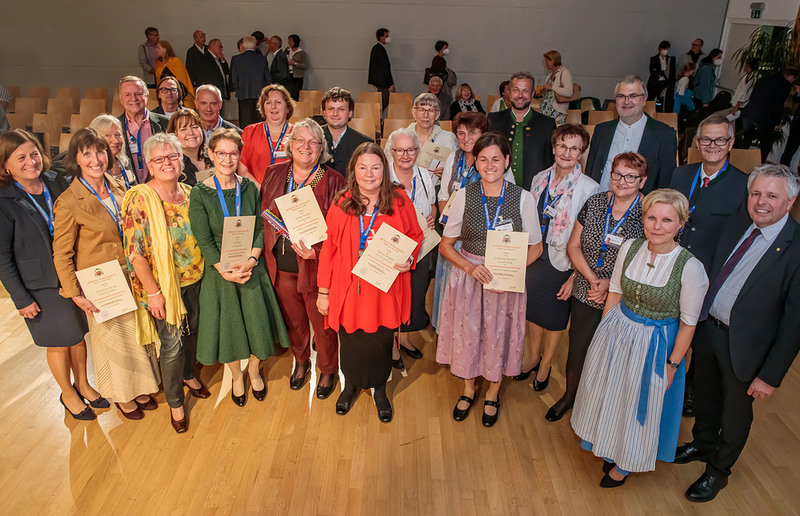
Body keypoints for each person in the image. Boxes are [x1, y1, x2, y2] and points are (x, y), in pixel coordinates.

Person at [675, 165, 800, 502]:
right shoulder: (738, 222)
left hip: (747, 349)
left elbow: (794, 324)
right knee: (705, 396)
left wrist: (770, 376)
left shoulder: (796, 248)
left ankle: (718, 471)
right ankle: (702, 444)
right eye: (755, 193)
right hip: (709, 330)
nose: (761, 202)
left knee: (734, 414)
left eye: (771, 195)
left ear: (790, 201)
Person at [571, 189, 709, 488]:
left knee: (637, 404)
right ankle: (610, 444)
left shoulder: (690, 267)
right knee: (613, 394)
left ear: (681, 223)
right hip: (618, 330)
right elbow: (615, 291)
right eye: (651, 218)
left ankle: (626, 462)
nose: (657, 226)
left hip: (656, 344)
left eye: (667, 220)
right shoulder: (630, 247)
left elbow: (688, 325)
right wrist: (603, 335)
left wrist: (672, 365)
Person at [53, 128, 161, 421]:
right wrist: (74, 293)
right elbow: (61, 254)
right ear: (76, 159)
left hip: (131, 274)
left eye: (100, 151)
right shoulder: (68, 201)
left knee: (136, 337)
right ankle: (123, 396)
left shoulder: (119, 186)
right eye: (86, 154)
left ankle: (141, 388)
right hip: (99, 281)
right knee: (114, 342)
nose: (95, 159)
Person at [436, 132, 543, 427]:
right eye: (483, 159)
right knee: (468, 334)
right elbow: (446, 245)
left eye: (496, 159)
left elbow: (536, 248)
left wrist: (509, 271)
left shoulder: (523, 198)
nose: (490, 165)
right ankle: (469, 389)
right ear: (476, 162)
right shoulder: (463, 196)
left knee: (499, 335)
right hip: (470, 277)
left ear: (507, 161)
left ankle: (493, 393)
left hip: (504, 282)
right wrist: (469, 268)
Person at [316, 143, 423, 423]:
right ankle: (350, 386)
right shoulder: (341, 203)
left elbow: (415, 235)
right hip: (348, 290)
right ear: (353, 170)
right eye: (363, 167)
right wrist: (323, 291)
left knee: (380, 342)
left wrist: (409, 258)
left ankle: (380, 390)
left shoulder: (399, 200)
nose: (369, 174)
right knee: (351, 341)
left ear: (384, 170)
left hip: (384, 289)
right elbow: (329, 249)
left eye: (375, 167)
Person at [0, 130, 99, 421]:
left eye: (34, 154)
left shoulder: (57, 181)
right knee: (59, 341)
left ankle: (83, 384)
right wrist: (21, 299)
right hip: (40, 284)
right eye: (21, 157)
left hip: (71, 274)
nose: (31, 161)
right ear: (6, 165)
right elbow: (2, 258)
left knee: (78, 336)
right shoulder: (3, 200)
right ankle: (67, 393)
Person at [188, 128, 289, 406]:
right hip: (220, 271)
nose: (227, 159)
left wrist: (252, 260)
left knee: (258, 325)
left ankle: (254, 370)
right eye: (221, 153)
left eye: (233, 153)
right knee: (229, 329)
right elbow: (204, 239)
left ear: (239, 156)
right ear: (211, 155)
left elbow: (260, 227)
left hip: (250, 265)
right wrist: (225, 270)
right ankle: (235, 376)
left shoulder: (249, 188)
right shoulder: (199, 193)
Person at [544, 152, 646, 422]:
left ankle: (601, 406)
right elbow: (573, 246)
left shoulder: (648, 212)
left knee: (612, 355)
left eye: (631, 176)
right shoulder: (596, 202)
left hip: (623, 297)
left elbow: (647, 259)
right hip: (586, 290)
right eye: (617, 174)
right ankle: (570, 396)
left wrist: (611, 285)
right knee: (578, 349)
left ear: (642, 180)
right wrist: (592, 279)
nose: (622, 181)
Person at [122, 133, 209, 433]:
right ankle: (175, 402)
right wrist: (153, 292)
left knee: (193, 333)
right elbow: (135, 253)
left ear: (181, 159)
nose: (167, 163)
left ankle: (189, 374)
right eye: (159, 159)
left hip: (197, 279)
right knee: (172, 346)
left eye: (172, 156)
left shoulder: (191, 192)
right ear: (149, 165)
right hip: (164, 288)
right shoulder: (140, 198)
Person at [259, 119, 345, 397]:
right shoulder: (274, 173)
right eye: (300, 140)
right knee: (294, 321)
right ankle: (301, 360)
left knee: (322, 325)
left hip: (316, 267)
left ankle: (328, 369)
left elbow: (341, 232)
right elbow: (264, 214)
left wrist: (316, 253)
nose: (306, 147)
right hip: (281, 264)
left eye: (313, 142)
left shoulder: (334, 180)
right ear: (291, 144)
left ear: (321, 148)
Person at [518, 124, 600, 391]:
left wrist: (575, 276)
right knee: (532, 311)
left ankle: (546, 364)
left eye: (574, 148)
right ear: (554, 148)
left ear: (581, 153)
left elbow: (590, 239)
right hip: (535, 253)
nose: (567, 152)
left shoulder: (590, 188)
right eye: (563, 146)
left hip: (563, 261)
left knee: (554, 319)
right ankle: (533, 356)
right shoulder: (539, 178)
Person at [433, 112, 515, 330]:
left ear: (483, 134)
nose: (466, 138)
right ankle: (450, 333)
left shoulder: (495, 163)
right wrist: (451, 224)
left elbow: (507, 201)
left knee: (478, 302)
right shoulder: (453, 158)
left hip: (481, 241)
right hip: (452, 240)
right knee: (451, 292)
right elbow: (443, 195)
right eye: (461, 133)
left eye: (472, 132)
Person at [385, 129, 436, 366]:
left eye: (411, 150)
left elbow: (432, 205)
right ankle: (391, 345)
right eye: (400, 150)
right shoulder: (383, 175)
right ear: (391, 151)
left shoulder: (424, 175)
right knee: (393, 296)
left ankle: (404, 338)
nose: (406, 155)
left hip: (422, 246)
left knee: (414, 294)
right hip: (393, 246)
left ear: (417, 151)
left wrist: (431, 218)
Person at [585, 75, 677, 193]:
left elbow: (666, 184)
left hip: (642, 203)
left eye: (633, 96)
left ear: (645, 98)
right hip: (600, 200)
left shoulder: (665, 135)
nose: (626, 101)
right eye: (621, 96)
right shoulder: (601, 131)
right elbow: (590, 173)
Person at [488, 72, 556, 190]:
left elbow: (551, 163)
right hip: (498, 191)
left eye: (525, 91)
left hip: (534, 192)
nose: (520, 95)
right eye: (516, 90)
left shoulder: (547, 124)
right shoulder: (493, 120)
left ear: (532, 94)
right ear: (509, 93)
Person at [117, 76, 170, 184]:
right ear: (121, 99)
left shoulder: (166, 123)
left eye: (138, 93)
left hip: (160, 186)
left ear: (146, 95)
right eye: (127, 95)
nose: (134, 98)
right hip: (129, 188)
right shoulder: (115, 126)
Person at [741, 67, 799, 162]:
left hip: (749, 112)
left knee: (746, 139)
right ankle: (759, 165)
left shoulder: (765, 78)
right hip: (764, 117)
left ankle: (738, 161)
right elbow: (779, 104)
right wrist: (777, 121)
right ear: (791, 76)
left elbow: (753, 94)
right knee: (766, 143)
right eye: (794, 80)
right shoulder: (785, 85)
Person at [240, 84, 295, 185]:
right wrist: (260, 191)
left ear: (288, 108)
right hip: (256, 191)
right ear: (263, 108)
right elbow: (242, 170)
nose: (273, 106)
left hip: (289, 192)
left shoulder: (297, 134)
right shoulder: (249, 132)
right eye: (268, 103)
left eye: (278, 102)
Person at [321, 87, 373, 175]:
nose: (335, 113)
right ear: (324, 113)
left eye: (341, 109)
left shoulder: (364, 143)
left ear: (350, 113)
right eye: (331, 109)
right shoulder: (312, 138)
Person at [406, 93, 458, 181]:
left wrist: (447, 174)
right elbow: (389, 168)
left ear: (437, 115)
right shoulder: (399, 137)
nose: (425, 115)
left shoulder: (449, 138)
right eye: (421, 110)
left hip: (437, 187)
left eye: (431, 110)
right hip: (406, 186)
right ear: (414, 113)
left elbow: (457, 170)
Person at [230, 36, 272, 129]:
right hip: (260, 96)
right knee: (259, 123)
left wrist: (238, 90)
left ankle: (246, 138)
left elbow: (234, 78)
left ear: (244, 45)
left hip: (243, 95)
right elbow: (268, 79)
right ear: (255, 46)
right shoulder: (262, 59)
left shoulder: (236, 59)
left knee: (245, 123)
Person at [89, 115, 137, 189]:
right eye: (108, 135)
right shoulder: (93, 167)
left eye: (117, 135)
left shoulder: (125, 163)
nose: (115, 141)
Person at [166, 108, 212, 186]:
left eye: (195, 127)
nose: (191, 132)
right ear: (174, 135)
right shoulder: (172, 166)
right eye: (183, 129)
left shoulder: (213, 157)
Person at [154, 40, 196, 109]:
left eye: (158, 48)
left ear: (165, 49)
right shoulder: (158, 64)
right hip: (164, 95)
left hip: (178, 95)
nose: (156, 50)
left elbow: (183, 81)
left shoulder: (175, 61)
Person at [540, 50, 574, 124]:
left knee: (556, 130)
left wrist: (551, 87)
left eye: (547, 61)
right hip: (546, 110)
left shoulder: (564, 72)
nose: (546, 63)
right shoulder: (550, 74)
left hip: (558, 111)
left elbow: (569, 92)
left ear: (554, 61)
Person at [368, 28, 395, 111]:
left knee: (383, 102)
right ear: (381, 38)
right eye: (386, 36)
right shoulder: (379, 49)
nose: (388, 38)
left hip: (381, 82)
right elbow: (385, 68)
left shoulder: (377, 48)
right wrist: (391, 84)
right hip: (382, 82)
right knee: (383, 103)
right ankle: (380, 117)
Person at [647, 41, 676, 113]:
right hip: (655, 83)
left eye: (667, 49)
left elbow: (672, 72)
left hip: (664, 84)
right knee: (650, 99)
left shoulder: (670, 59)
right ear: (660, 48)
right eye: (663, 49)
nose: (665, 50)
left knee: (660, 100)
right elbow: (652, 71)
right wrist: (659, 75)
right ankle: (648, 111)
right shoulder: (654, 59)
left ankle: (658, 111)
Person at [286, 34, 307, 101]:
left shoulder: (301, 53)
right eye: (288, 41)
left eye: (290, 41)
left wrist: (294, 63)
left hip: (297, 76)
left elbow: (304, 65)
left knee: (296, 94)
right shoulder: (287, 50)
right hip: (288, 74)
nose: (289, 42)